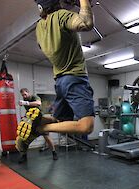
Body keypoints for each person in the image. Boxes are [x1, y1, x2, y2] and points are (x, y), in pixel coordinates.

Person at [28, 0, 95, 137]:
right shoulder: (60, 16)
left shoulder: (39, 27)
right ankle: (40, 130)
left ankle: (36, 120)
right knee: (86, 125)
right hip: (75, 77)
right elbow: (86, 23)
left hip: (60, 82)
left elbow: (42, 46)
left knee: (59, 120)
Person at [17, 88, 58, 163]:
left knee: (47, 137)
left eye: (25, 94)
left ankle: (54, 152)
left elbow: (38, 103)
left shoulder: (34, 97)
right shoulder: (24, 99)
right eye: (23, 95)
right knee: (24, 138)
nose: (24, 96)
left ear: (28, 92)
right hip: (33, 122)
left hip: (40, 120)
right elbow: (30, 112)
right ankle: (24, 156)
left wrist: (26, 103)